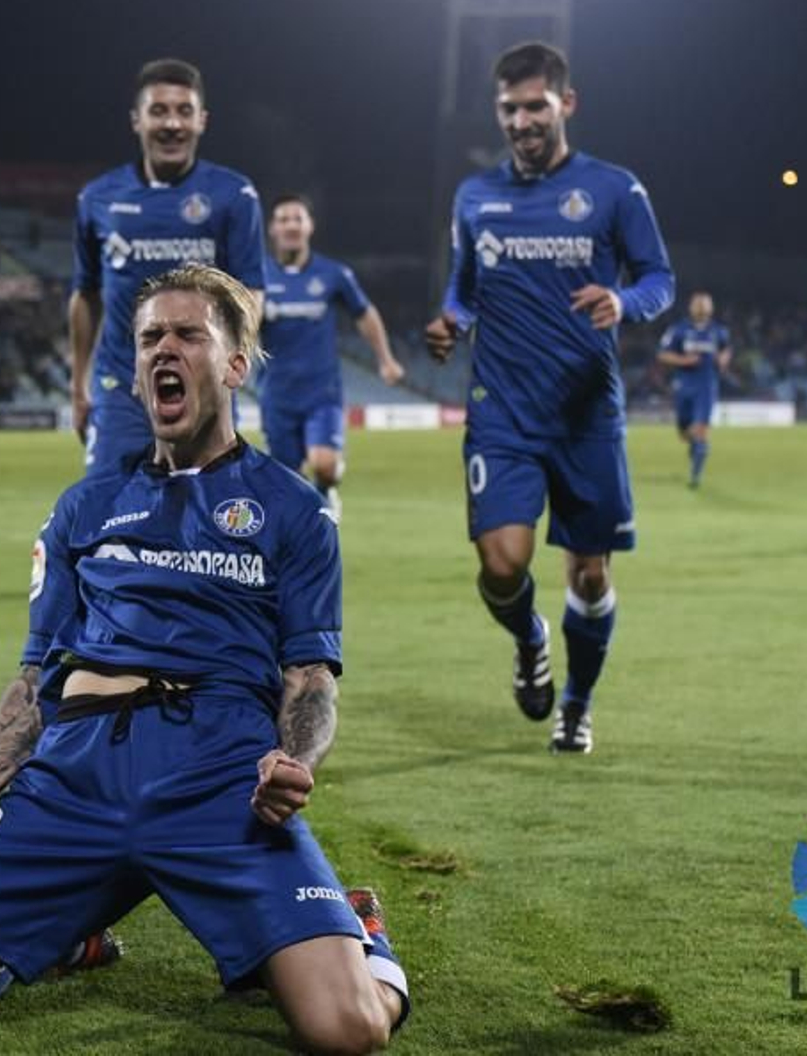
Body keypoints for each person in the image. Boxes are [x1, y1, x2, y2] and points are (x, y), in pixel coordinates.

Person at [0, 266, 408, 1052]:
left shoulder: (294, 510)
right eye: (151, 335)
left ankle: (363, 932)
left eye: (189, 334)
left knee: (349, 1028)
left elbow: (310, 677)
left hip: (216, 772)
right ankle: (57, 936)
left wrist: (293, 760)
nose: (164, 349)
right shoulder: (83, 507)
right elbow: (36, 676)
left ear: (233, 364)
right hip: (75, 777)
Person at [425, 42, 675, 755]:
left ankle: (577, 701)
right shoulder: (474, 196)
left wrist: (623, 300)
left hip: (586, 414)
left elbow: (660, 277)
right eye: (510, 108)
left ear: (567, 103)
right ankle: (530, 636)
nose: (523, 119)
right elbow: (464, 285)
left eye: (536, 105)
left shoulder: (614, 189)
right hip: (501, 410)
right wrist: (452, 320)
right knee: (502, 564)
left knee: (590, 575)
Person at [69, 58, 266, 475]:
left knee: (207, 522)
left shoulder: (234, 195)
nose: (172, 123)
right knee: (107, 515)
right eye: (158, 111)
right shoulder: (97, 199)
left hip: (206, 389)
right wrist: (78, 386)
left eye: (184, 111)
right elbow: (85, 295)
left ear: (202, 121)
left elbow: (250, 294)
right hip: (122, 387)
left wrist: (230, 364)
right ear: (136, 120)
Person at [259, 194, 404, 519]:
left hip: (321, 392)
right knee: (287, 480)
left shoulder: (333, 274)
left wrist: (385, 359)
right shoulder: (257, 277)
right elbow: (239, 325)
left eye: (298, 218)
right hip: (277, 394)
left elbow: (365, 314)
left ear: (310, 226)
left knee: (325, 465)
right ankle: (303, 537)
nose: (291, 225)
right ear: (272, 228)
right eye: (284, 219)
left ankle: (326, 491)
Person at [656, 291, 731, 488]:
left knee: (700, 431)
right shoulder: (679, 330)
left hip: (706, 387)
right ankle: (696, 447)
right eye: (698, 304)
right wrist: (683, 360)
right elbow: (662, 354)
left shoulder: (718, 331)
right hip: (683, 386)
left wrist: (723, 359)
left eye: (705, 304)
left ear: (711, 308)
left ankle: (695, 475)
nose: (701, 307)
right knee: (683, 434)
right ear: (691, 307)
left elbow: (726, 349)